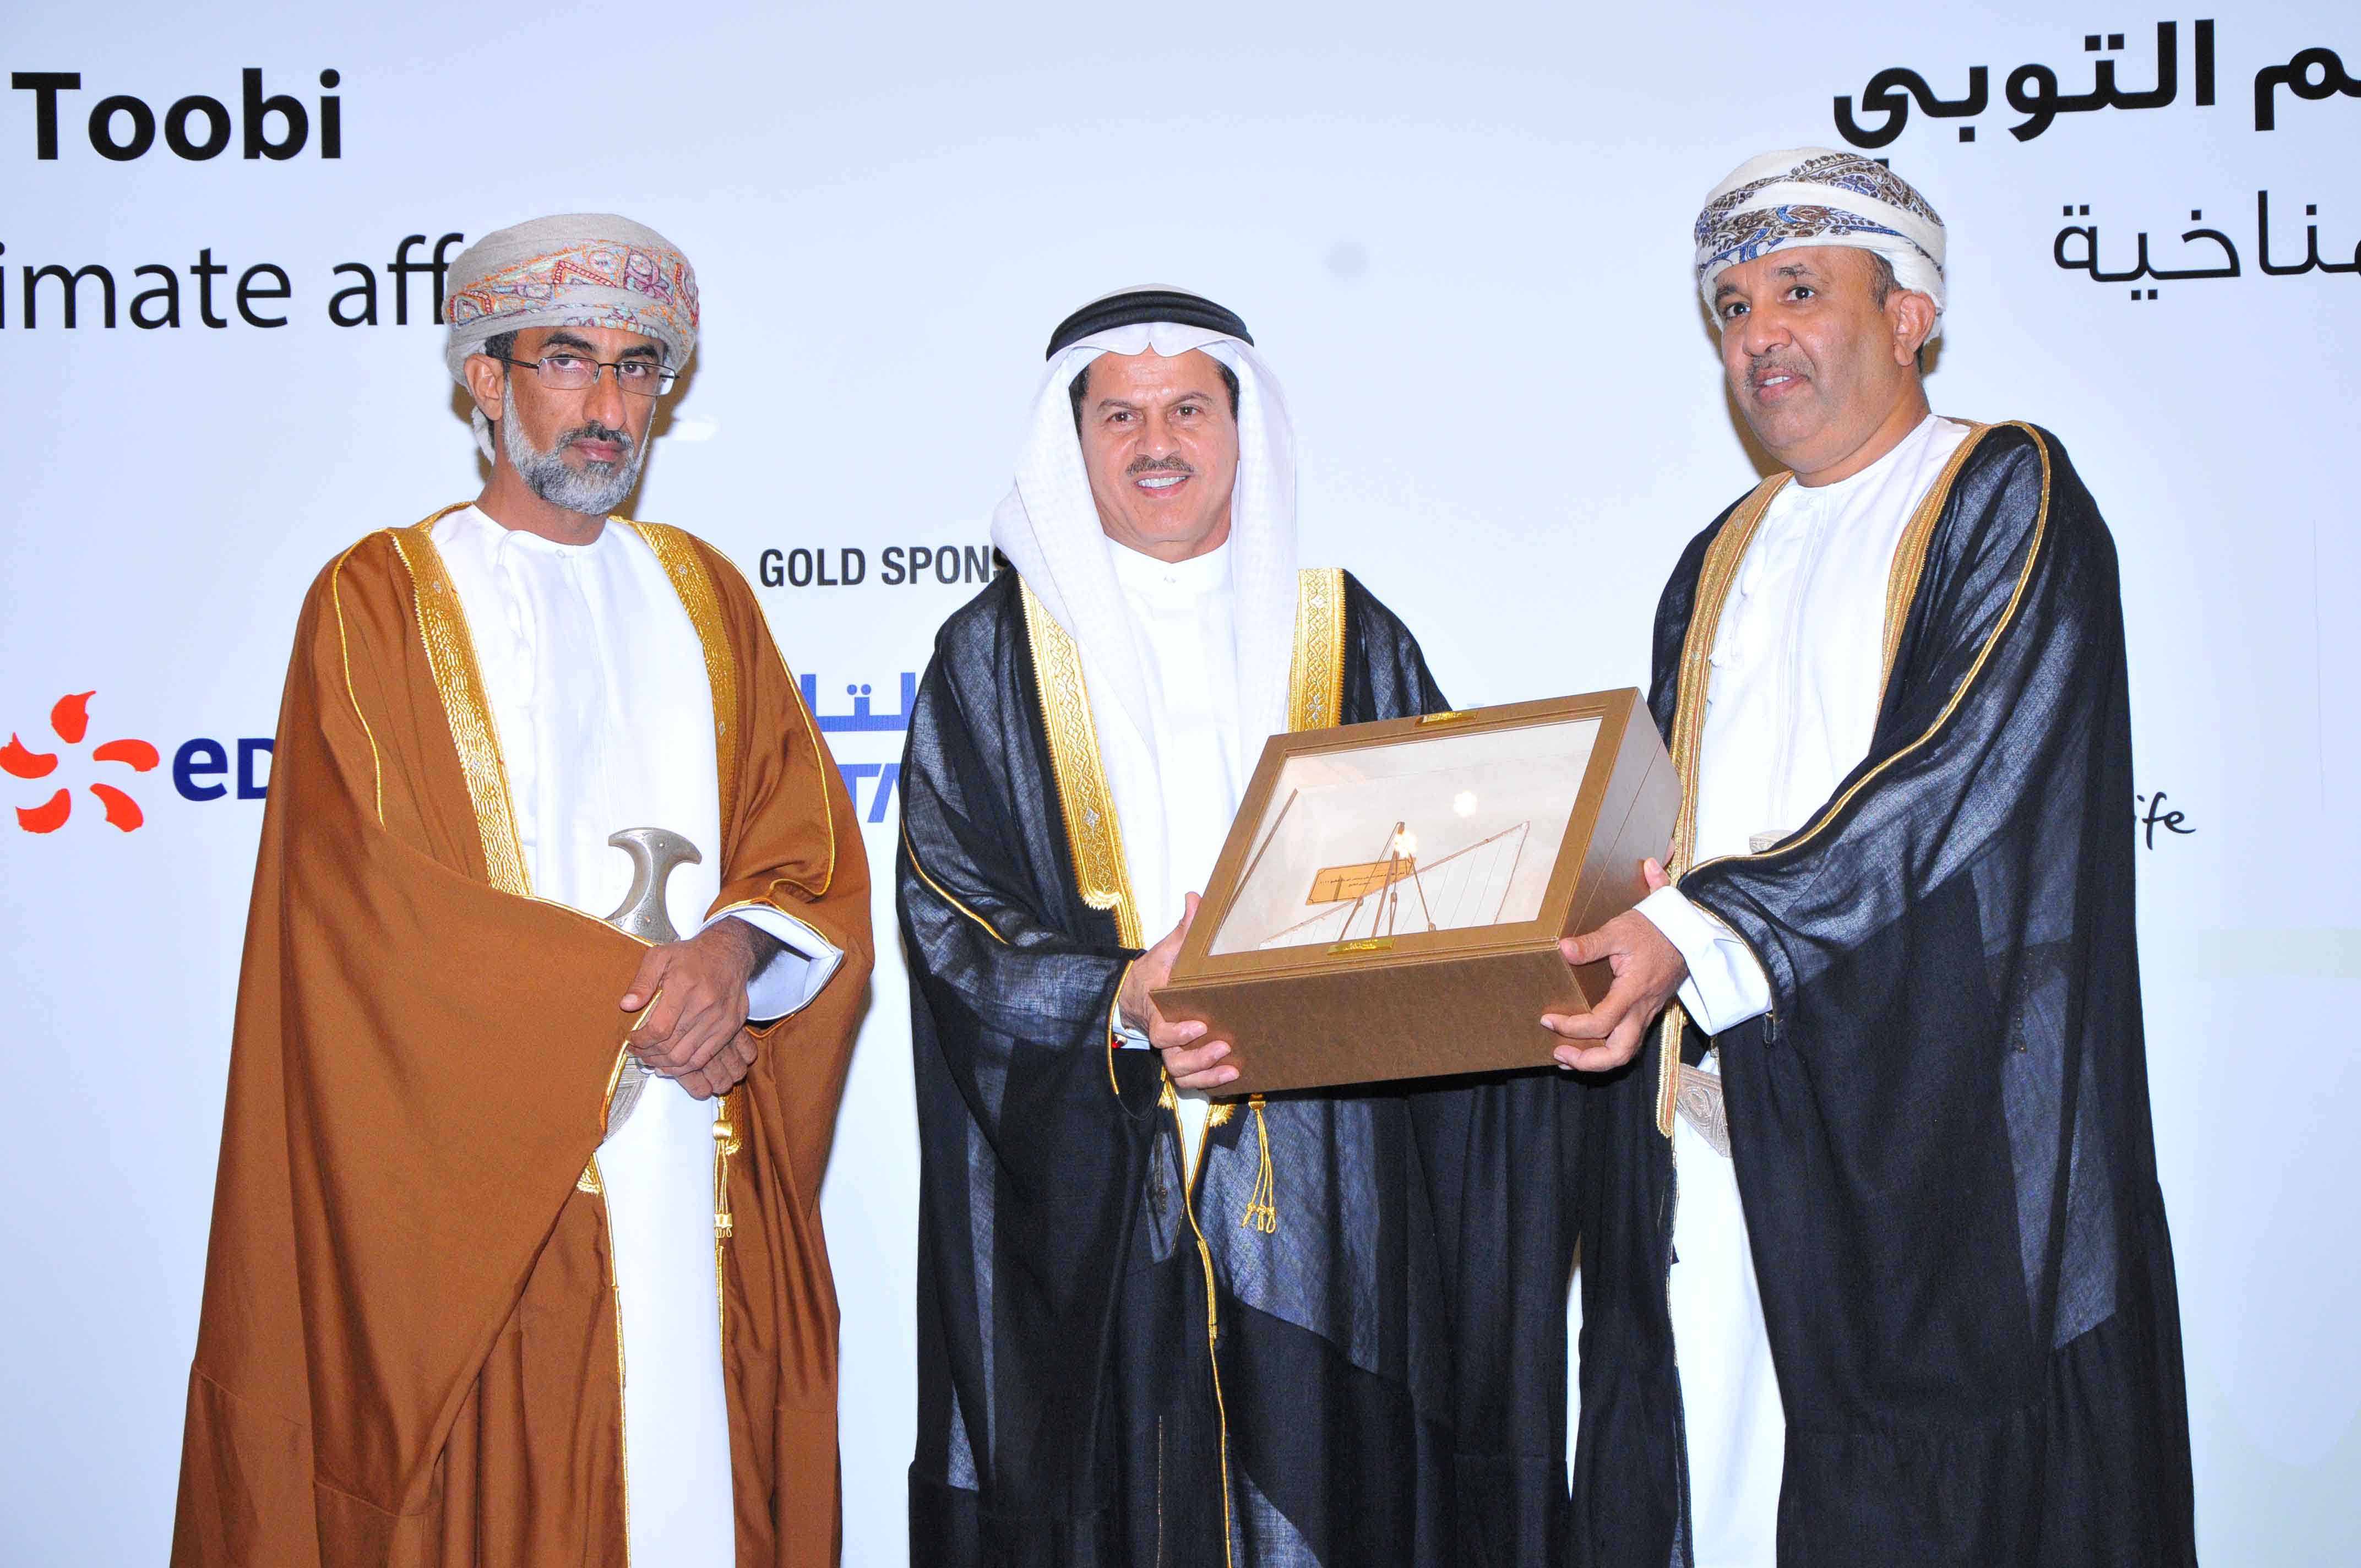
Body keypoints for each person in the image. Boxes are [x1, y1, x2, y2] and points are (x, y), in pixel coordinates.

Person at [172, 214, 873, 1567]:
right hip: (488, 1182)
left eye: (637, 367)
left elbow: (805, 849)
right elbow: (369, 910)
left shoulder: (706, 595)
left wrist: (731, 958)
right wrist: (629, 1008)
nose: (608, 405)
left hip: (693, 1151)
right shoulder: (379, 597)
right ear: (483, 380)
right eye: (568, 360)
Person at [1539, 149, 2197, 1566]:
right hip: (1722, 1118)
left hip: (1932, 1140)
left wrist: (1697, 930)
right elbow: (1657, 824)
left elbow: (1952, 776)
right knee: (1723, 1480)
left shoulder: (2003, 488)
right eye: (1730, 307)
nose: (1756, 335)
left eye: (1796, 291)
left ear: (1909, 315)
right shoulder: (1717, 554)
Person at [898, 287, 1462, 1566]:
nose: (1156, 442)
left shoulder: (1348, 635)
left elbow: (1443, 865)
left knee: (1327, 1486)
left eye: (1188, 409)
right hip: (1095, 1180)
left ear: (1240, 428)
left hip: (1320, 1165)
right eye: (1120, 415)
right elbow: (947, 908)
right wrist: (1117, 997)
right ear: (1072, 443)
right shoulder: (990, 656)